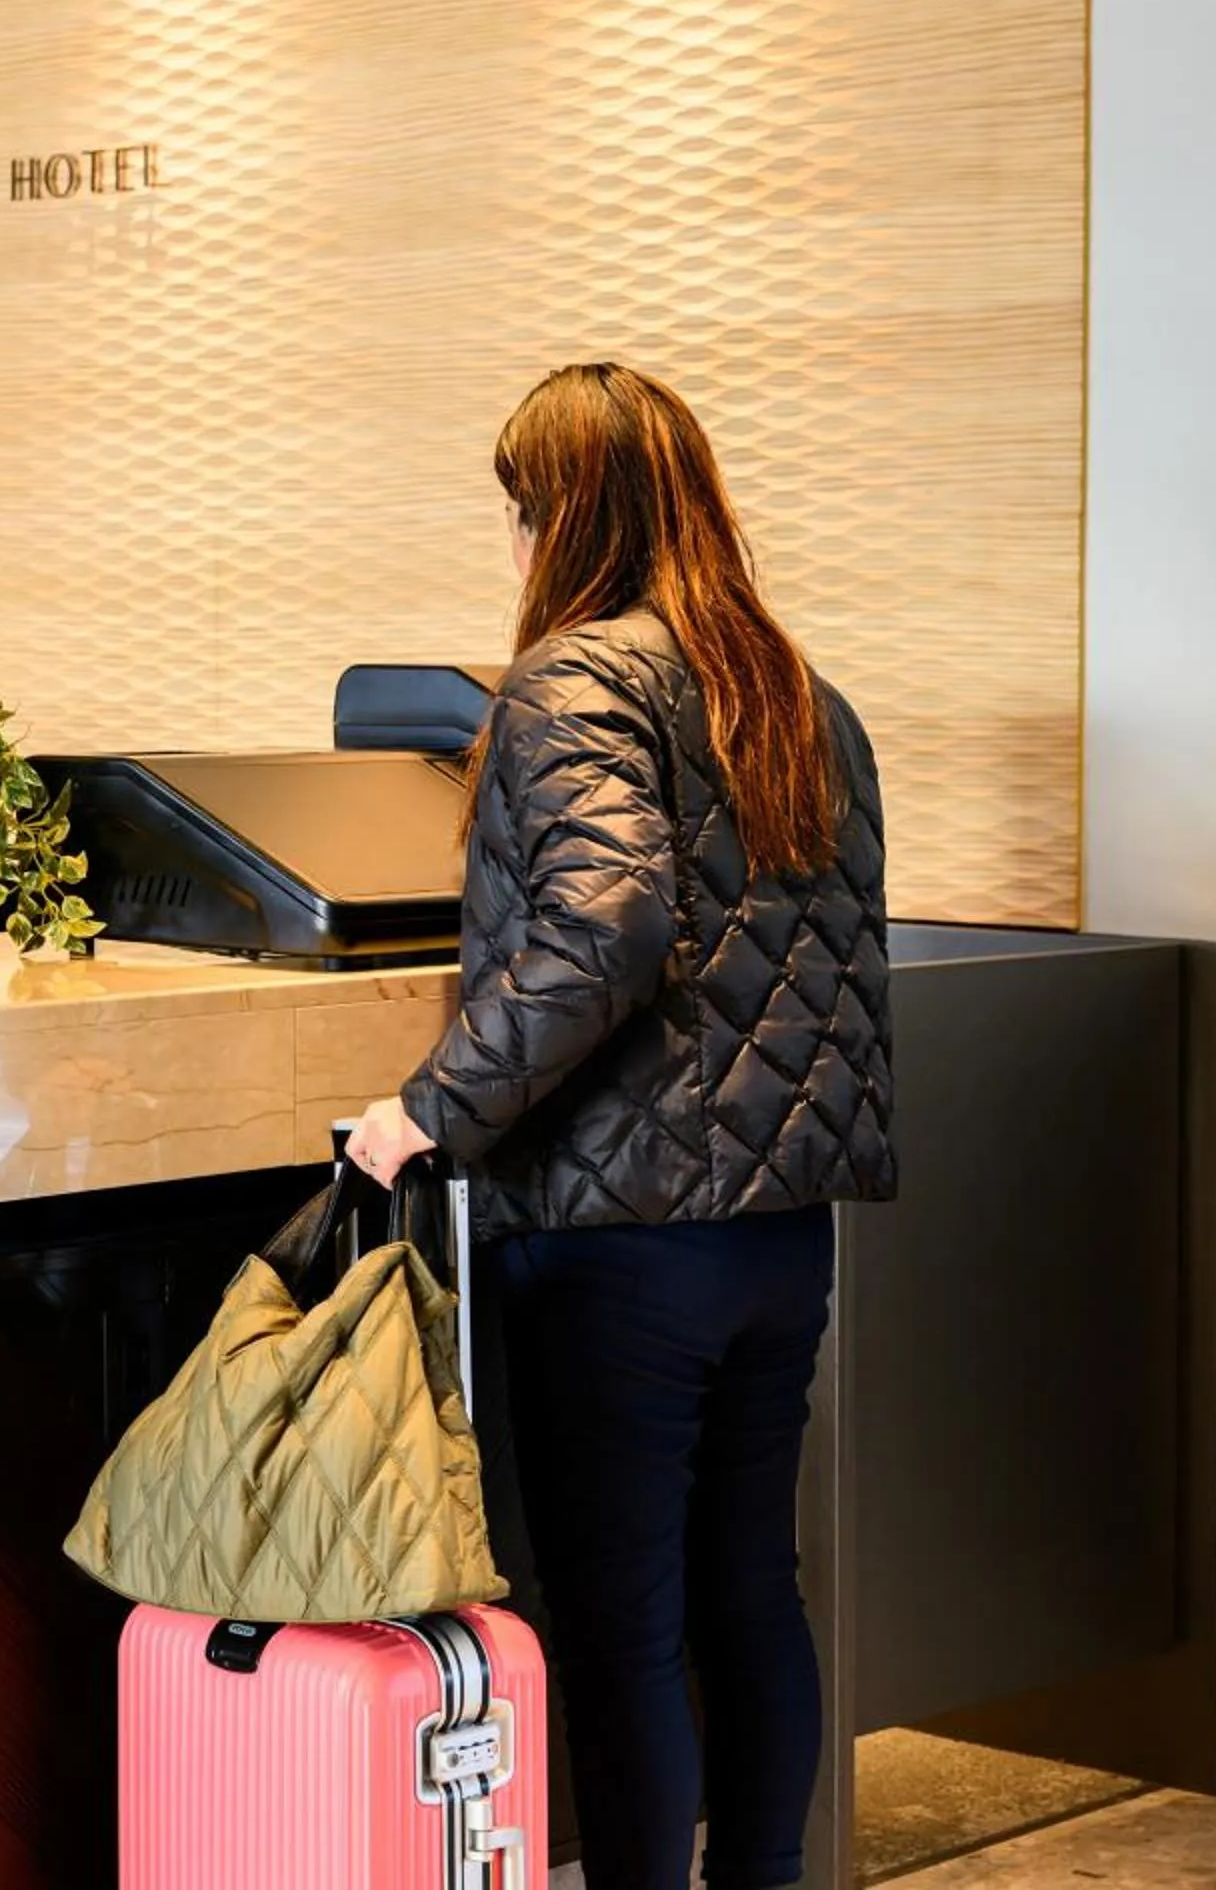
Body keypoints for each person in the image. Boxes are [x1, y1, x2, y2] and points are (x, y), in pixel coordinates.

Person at [348, 362, 896, 1890]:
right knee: (751, 1589)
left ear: (565, 515)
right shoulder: (799, 693)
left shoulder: (572, 681)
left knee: (623, 1623)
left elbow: (606, 920)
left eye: (521, 512)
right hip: (781, 1237)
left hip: (623, 1239)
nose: (515, 548)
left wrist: (423, 1111)